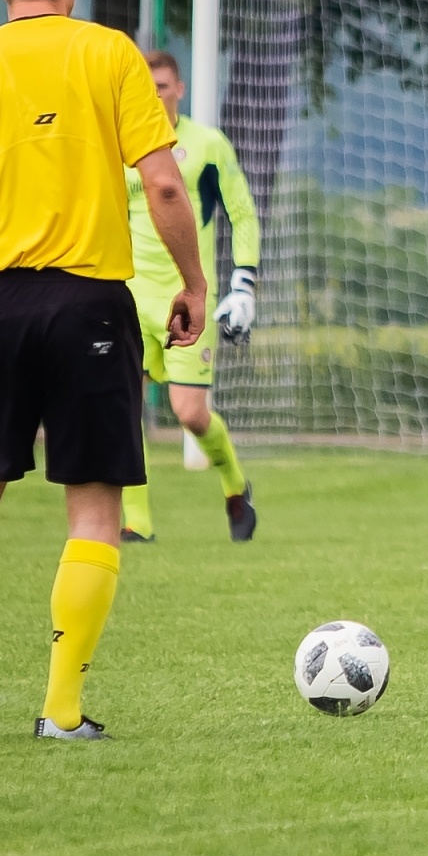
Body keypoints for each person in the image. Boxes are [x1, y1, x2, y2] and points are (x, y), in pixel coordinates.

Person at [0, 0, 208, 739]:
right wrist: (191, 281)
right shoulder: (110, 53)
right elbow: (164, 187)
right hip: (89, 306)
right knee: (94, 512)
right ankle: (61, 711)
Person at [120, 50, 261, 544]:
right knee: (123, 408)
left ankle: (233, 485)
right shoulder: (118, 146)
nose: (155, 93)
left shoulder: (206, 145)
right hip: (128, 296)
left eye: (162, 85)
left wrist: (244, 281)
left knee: (190, 414)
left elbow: (241, 213)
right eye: (147, 85)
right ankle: (136, 521)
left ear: (179, 89)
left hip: (186, 297)